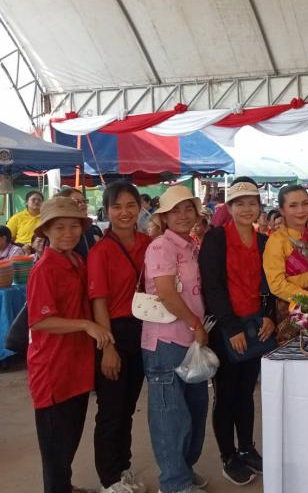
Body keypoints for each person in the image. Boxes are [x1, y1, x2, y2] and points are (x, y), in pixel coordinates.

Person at [26, 197, 114, 493]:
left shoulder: (76, 260)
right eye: (60, 227)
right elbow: (39, 321)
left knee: (69, 440)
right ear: (46, 231)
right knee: (55, 449)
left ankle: (64, 486)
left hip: (76, 365)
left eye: (74, 226)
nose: (69, 233)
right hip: (53, 370)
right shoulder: (44, 268)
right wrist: (87, 325)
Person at [200, 178, 276, 486]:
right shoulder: (215, 239)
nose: (247, 209)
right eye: (240, 203)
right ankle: (228, 456)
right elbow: (212, 287)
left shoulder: (264, 241)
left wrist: (269, 315)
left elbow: (270, 284)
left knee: (246, 392)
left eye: (252, 203)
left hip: (255, 327)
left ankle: (247, 448)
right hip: (226, 329)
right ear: (229, 207)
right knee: (226, 393)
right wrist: (231, 327)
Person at [142, 185, 209, 493]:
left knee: (195, 409)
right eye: (175, 210)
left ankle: (183, 470)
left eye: (188, 208)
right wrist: (196, 324)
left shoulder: (191, 245)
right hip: (166, 342)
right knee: (170, 417)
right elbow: (167, 293)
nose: (183, 215)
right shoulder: (161, 247)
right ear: (164, 217)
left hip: (192, 340)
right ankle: (173, 483)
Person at [87, 182, 151, 493]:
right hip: (114, 332)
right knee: (111, 411)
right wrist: (108, 348)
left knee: (127, 408)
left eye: (130, 205)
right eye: (117, 207)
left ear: (140, 207)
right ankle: (109, 479)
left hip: (144, 330)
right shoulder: (101, 251)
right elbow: (98, 301)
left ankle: (123, 469)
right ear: (107, 211)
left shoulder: (148, 243)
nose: (124, 212)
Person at [263, 185, 308, 302]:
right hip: (292, 304)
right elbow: (277, 285)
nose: (301, 210)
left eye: (305, 204)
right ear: (282, 210)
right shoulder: (276, 241)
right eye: (293, 205)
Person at [59, 187, 103, 259]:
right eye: (77, 202)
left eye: (84, 201)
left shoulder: (95, 230)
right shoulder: (58, 234)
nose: (83, 204)